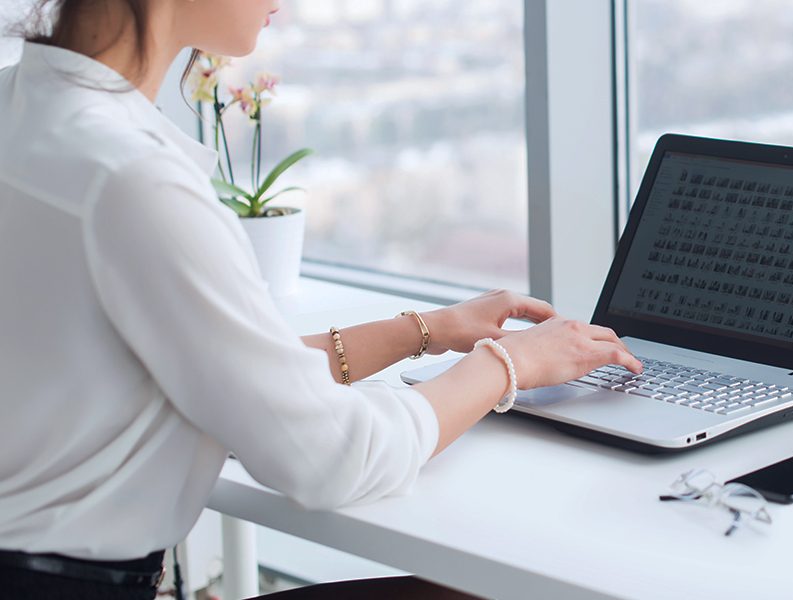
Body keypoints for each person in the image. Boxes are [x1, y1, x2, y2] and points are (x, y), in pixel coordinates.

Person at [0, 0, 643, 598]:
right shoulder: (131, 180)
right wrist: (509, 366)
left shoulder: (25, 108)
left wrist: (425, 329)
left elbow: (214, 367)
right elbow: (334, 457)